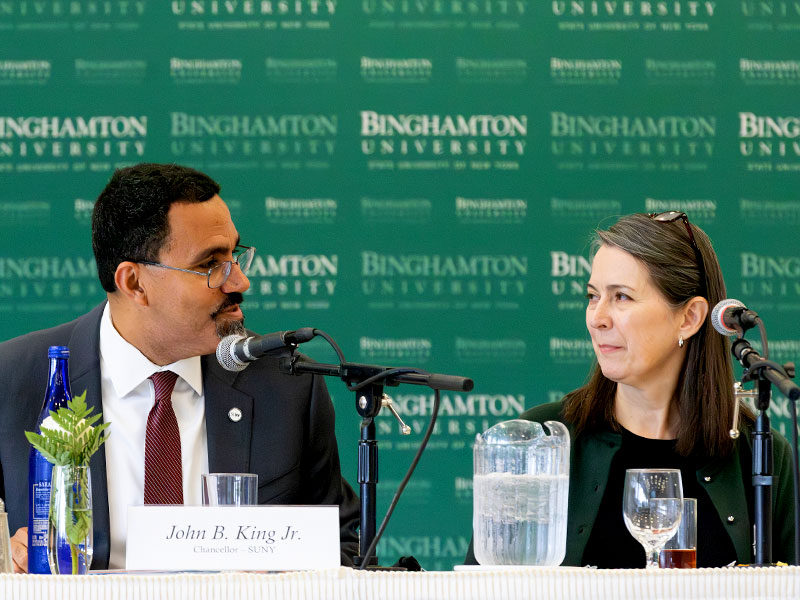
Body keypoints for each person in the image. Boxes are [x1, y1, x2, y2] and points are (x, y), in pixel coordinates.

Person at [0, 163, 359, 572]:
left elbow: (346, 547)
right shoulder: (12, 380)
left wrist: (277, 575)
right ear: (134, 283)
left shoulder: (287, 384)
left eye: (235, 255)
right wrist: (7, 560)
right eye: (210, 264)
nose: (239, 281)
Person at [468, 212, 796, 567]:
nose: (597, 318)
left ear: (689, 318)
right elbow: (487, 585)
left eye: (622, 297)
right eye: (592, 296)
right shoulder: (542, 440)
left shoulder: (760, 452)